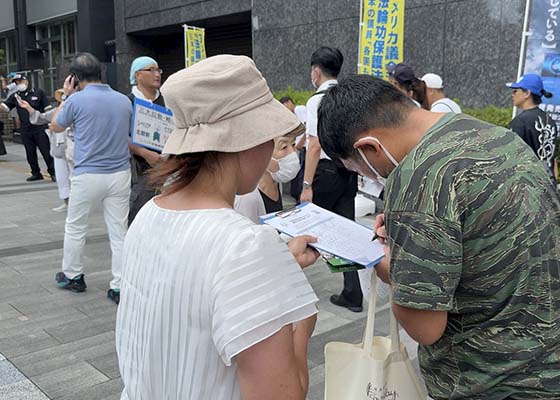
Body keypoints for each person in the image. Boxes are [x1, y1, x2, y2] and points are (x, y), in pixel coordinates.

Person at [317, 74, 560, 399]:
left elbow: (426, 328)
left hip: (491, 380)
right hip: (547, 360)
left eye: (357, 169)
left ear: (369, 147)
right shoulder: (494, 135)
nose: (368, 178)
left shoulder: (417, 177)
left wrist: (388, 265)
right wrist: (414, 233)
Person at [116, 55, 320, 400]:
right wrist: (301, 322)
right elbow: (282, 394)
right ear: (246, 141)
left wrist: (278, 267)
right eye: (270, 138)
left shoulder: (149, 212)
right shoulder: (246, 244)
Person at [50, 53, 132, 304]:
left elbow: (55, 125)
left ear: (74, 78)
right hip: (120, 173)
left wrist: (66, 96)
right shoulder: (123, 100)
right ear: (101, 72)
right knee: (119, 232)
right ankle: (119, 286)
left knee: (76, 227)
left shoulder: (76, 101)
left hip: (88, 175)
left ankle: (74, 276)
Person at [300, 46, 362, 313]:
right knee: (345, 232)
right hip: (348, 173)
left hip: (324, 175)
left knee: (306, 233)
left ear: (316, 71)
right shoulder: (349, 98)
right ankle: (353, 294)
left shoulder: (317, 100)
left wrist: (305, 185)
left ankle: (295, 296)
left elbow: (314, 145)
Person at [19, 89, 72, 212]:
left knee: (75, 177)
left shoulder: (78, 107)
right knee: (62, 177)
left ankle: (78, 203)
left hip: (73, 148)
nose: (61, 98)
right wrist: (28, 108)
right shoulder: (59, 109)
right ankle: (67, 201)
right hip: (59, 148)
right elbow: (41, 118)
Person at [127, 56, 166, 224]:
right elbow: (121, 135)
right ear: (138, 75)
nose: (156, 74)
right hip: (140, 169)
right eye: (151, 70)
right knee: (139, 216)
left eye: (158, 70)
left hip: (168, 166)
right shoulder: (128, 101)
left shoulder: (167, 100)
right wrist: (144, 153)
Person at [0, 74, 56, 181]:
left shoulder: (38, 92)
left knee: (46, 151)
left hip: (40, 127)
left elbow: (48, 109)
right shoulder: (16, 96)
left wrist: (51, 123)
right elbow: (5, 108)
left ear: (26, 81)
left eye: (20, 81)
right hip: (25, 129)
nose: (18, 84)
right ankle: (36, 173)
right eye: (16, 82)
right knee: (30, 152)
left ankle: (53, 172)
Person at [508, 73, 558, 184]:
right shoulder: (550, 121)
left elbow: (511, 160)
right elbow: (553, 161)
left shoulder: (519, 122)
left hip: (527, 189)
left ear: (527, 93)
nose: (512, 95)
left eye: (515, 91)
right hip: (549, 188)